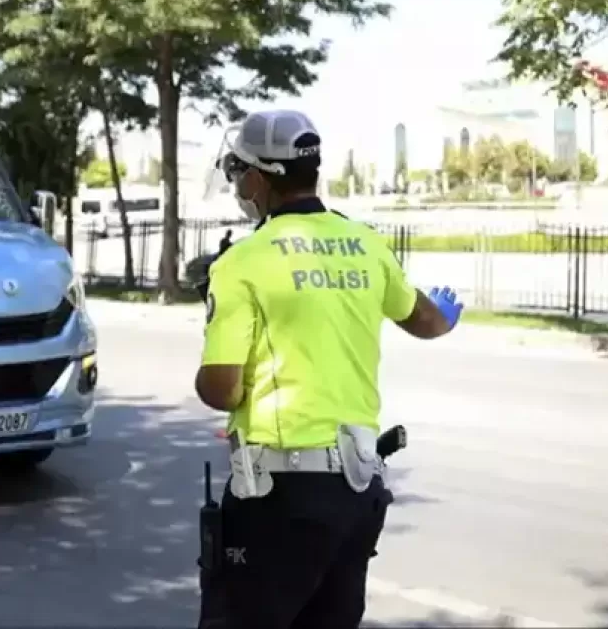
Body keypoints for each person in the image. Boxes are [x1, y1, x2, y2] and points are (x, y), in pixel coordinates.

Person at [193, 109, 463, 629]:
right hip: (357, 494)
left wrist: (213, 356)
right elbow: (426, 320)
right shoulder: (365, 243)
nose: (236, 184)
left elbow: (223, 388)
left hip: (278, 501)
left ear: (258, 177)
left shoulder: (243, 263)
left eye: (236, 171)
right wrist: (447, 318)